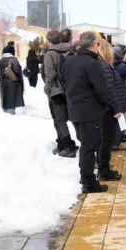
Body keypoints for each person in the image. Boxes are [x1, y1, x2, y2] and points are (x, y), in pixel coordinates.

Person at [59, 31, 119, 192]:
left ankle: (86, 177)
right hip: (90, 112)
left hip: (75, 110)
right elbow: (101, 89)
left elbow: (63, 81)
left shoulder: (69, 61)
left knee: (86, 145)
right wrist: (106, 105)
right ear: (93, 45)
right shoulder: (92, 63)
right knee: (89, 148)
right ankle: (89, 182)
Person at [43, 29, 77, 157]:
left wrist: (47, 88)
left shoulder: (50, 54)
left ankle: (68, 145)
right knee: (72, 117)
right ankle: (66, 143)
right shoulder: (72, 50)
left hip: (57, 91)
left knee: (59, 120)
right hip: (71, 89)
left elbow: (50, 74)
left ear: (49, 41)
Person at [95, 38, 126, 170]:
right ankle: (104, 169)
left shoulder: (103, 66)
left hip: (108, 109)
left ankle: (104, 166)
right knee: (106, 140)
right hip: (109, 110)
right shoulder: (105, 66)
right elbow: (109, 89)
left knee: (105, 139)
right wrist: (117, 109)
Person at [0, 42, 25, 115]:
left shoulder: (1, 60)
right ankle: (11, 114)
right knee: (12, 100)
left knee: (5, 99)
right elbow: (17, 71)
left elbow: (0, 73)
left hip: (2, 83)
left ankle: (6, 113)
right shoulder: (14, 59)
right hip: (12, 83)